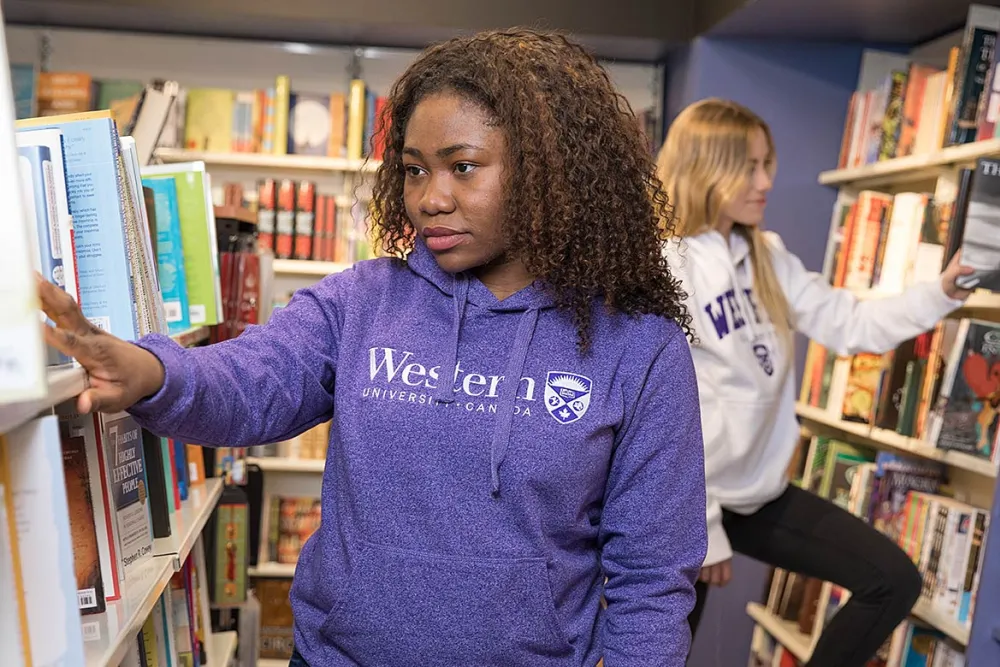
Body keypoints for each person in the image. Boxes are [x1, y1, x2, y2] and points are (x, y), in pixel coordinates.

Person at [40, 29, 708, 666]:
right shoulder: (363, 302)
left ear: (549, 174)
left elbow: (653, 579)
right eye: (414, 170)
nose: (430, 199)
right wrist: (152, 371)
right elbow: (251, 379)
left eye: (463, 168)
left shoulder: (639, 348)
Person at [656, 98, 973, 667]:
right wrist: (703, 530)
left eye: (767, 164)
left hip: (756, 495)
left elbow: (851, 324)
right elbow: (667, 411)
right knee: (659, 655)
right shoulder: (666, 266)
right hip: (682, 505)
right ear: (705, 168)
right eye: (749, 166)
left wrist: (943, 292)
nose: (765, 181)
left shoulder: (766, 254)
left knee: (892, 580)